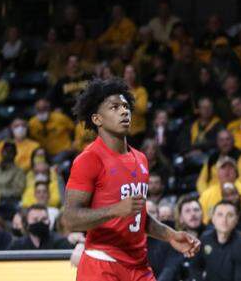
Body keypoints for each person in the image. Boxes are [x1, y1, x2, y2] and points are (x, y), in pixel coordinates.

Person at [61, 78, 200, 281]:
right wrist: (115, 210)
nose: (124, 111)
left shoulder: (140, 158)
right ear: (97, 119)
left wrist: (170, 235)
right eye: (115, 107)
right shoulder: (89, 159)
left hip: (138, 265)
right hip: (102, 263)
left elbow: (138, 216)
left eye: (126, 106)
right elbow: (70, 219)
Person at [195, 200, 241, 281]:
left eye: (230, 215)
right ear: (213, 219)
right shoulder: (205, 238)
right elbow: (195, 268)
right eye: (220, 215)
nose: (224, 220)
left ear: (236, 220)